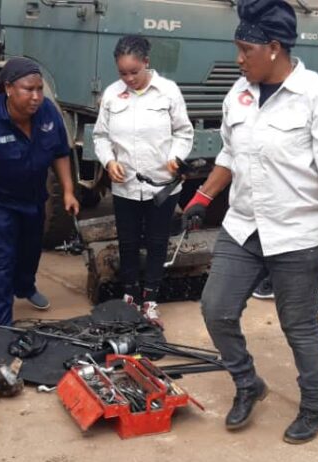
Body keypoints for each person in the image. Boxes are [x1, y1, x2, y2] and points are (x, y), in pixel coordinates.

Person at [182, 0, 318, 444]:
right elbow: (230, 153)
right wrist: (205, 194)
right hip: (244, 225)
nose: (239, 59)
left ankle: (314, 407)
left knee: (297, 324)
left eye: (246, 50)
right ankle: (248, 384)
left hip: (300, 232)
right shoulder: (237, 94)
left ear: (275, 49)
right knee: (215, 308)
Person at [0, 58, 79, 326]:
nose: (36, 97)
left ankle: (25, 287)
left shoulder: (48, 113)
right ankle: (1, 325)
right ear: (8, 88)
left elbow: (60, 153)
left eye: (40, 89)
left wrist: (68, 190)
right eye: (28, 89)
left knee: (30, 251)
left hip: (31, 199)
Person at [92, 35, 194, 325]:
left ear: (146, 63)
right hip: (125, 186)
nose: (128, 78)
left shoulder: (168, 92)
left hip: (161, 185)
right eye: (122, 73)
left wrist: (175, 156)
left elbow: (184, 132)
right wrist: (109, 161)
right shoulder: (112, 94)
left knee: (157, 241)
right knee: (127, 242)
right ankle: (129, 296)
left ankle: (150, 299)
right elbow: (100, 136)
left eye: (134, 72)